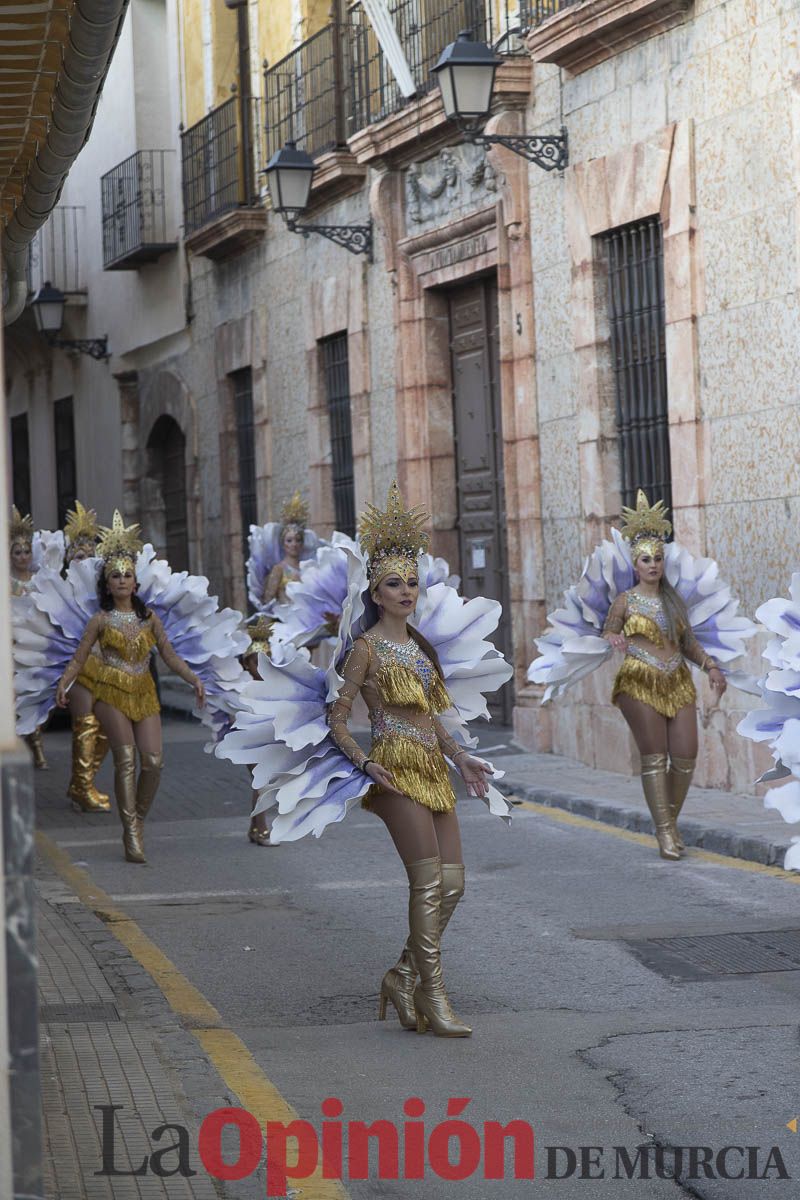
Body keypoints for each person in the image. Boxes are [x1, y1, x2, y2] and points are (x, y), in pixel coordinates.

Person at [218, 483, 514, 1038]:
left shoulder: (422, 649)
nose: (407, 591)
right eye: (394, 583)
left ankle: (402, 976)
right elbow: (337, 715)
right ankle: (434, 994)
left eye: (411, 581)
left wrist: (464, 759)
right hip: (394, 768)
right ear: (375, 593)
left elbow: (432, 716)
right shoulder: (364, 648)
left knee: (455, 885)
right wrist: (364, 763)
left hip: (432, 767)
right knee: (426, 885)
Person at [528, 490, 755, 861]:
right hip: (638, 680)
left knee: (685, 756)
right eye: (646, 559)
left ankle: (668, 822)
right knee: (655, 757)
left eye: (658, 559)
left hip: (677, 679)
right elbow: (606, 631)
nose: (653, 565)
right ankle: (666, 831)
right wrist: (613, 637)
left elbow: (688, 642)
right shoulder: (625, 601)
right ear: (635, 564)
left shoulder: (673, 601)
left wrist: (712, 666)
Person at [54, 512, 205, 863]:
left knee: (153, 763)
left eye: (127, 575)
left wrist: (194, 679)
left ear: (136, 583)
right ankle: (132, 833)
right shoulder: (100, 620)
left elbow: (169, 655)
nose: (122, 581)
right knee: (126, 760)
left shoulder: (149, 618)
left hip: (145, 692)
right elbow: (78, 659)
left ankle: (136, 819)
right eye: (115, 576)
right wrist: (64, 684)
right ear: (107, 585)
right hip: (111, 691)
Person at [61, 501, 111, 812]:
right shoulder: (60, 590)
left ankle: (82, 782)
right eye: (78, 557)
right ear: (69, 560)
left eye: (90, 556)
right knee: (86, 722)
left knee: (105, 724)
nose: (84, 562)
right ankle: (83, 786)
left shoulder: (106, 591)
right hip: (77, 661)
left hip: (106, 664)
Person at [9, 506, 48, 769]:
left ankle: (37, 744)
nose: (23, 556)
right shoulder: (6, 582)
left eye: (26, 551)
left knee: (37, 696)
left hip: (36, 644)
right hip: (13, 647)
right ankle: (24, 745)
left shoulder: (39, 580)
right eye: (17, 552)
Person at [239, 615, 274, 846]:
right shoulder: (238, 687)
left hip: (271, 739)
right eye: (255, 662)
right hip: (248, 740)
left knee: (263, 781)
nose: (260, 667)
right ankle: (262, 829)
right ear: (246, 664)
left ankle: (255, 827)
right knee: (261, 780)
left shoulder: (276, 686)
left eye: (266, 660)